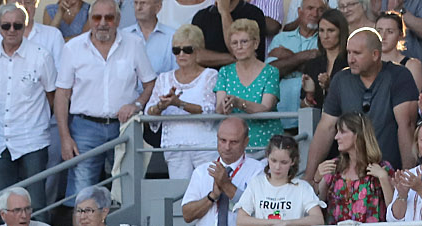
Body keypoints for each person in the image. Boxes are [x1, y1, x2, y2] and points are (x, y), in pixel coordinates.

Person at [54, 0, 153, 192]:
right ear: (90, 19)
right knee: (82, 194)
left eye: (109, 17)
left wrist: (137, 104)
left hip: (124, 127)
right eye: (97, 17)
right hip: (84, 128)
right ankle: (81, 225)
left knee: (127, 191)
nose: (102, 22)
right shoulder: (72, 48)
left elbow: (150, 84)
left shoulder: (134, 44)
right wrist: (64, 137)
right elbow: (62, 94)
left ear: (117, 20)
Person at [307, 26, 417, 181]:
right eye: (349, 52)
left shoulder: (399, 76)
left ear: (375, 54)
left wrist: (407, 176)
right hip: (350, 175)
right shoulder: (340, 80)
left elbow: (407, 126)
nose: (350, 59)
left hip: (388, 173)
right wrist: (308, 177)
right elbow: (326, 128)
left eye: (357, 53)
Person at [0, 4, 57, 203]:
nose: (11, 30)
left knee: (37, 203)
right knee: (3, 204)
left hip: (33, 139)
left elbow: (52, 96)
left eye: (17, 26)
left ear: (25, 26)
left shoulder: (41, 56)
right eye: (6, 26)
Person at [178, 115, 263, 226]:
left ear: (246, 142)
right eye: (222, 141)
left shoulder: (257, 170)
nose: (227, 147)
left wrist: (226, 185)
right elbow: (187, 215)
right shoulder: (201, 171)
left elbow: (258, 209)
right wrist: (212, 196)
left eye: (234, 142)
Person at [315, 111, 397, 226]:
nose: (336, 137)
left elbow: (394, 211)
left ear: (358, 135)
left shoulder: (382, 168)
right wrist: (317, 179)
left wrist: (384, 179)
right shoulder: (334, 167)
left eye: (342, 132)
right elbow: (319, 206)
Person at [147, 23, 218, 178]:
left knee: (207, 193)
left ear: (198, 50)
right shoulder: (164, 78)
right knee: (178, 196)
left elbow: (209, 110)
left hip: (204, 147)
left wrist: (179, 104)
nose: (181, 54)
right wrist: (161, 106)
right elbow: (149, 111)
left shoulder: (210, 75)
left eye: (187, 49)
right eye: (176, 50)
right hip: (175, 147)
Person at [215, 17, 279, 153]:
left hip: (266, 146)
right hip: (234, 147)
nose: (239, 47)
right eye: (234, 43)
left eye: (244, 41)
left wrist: (239, 103)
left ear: (255, 43)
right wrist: (225, 104)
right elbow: (219, 110)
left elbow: (266, 107)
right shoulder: (224, 72)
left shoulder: (271, 72)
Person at [299, 7, 347, 110]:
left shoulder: (351, 62)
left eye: (331, 30)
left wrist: (330, 86)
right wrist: (309, 95)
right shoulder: (312, 65)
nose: (325, 36)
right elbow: (303, 106)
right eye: (321, 30)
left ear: (341, 32)